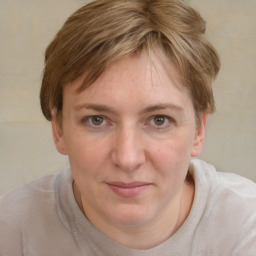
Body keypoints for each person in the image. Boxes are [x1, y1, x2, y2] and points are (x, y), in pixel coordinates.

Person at [0, 0, 255, 255]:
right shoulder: (13, 228)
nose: (127, 158)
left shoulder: (245, 227)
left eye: (159, 120)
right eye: (97, 120)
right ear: (58, 129)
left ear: (199, 130)